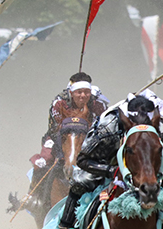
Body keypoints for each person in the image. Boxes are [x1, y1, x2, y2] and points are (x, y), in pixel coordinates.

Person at [49, 90, 163, 229]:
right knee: (81, 181)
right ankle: (66, 228)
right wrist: (112, 171)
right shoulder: (109, 129)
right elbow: (83, 160)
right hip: (108, 165)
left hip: (154, 169)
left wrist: (158, 173)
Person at [27, 72, 110, 214]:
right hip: (60, 138)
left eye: (86, 92)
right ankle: (33, 197)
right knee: (44, 160)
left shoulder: (98, 104)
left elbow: (105, 125)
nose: (83, 96)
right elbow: (54, 128)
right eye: (79, 92)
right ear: (72, 92)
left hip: (89, 138)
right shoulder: (59, 103)